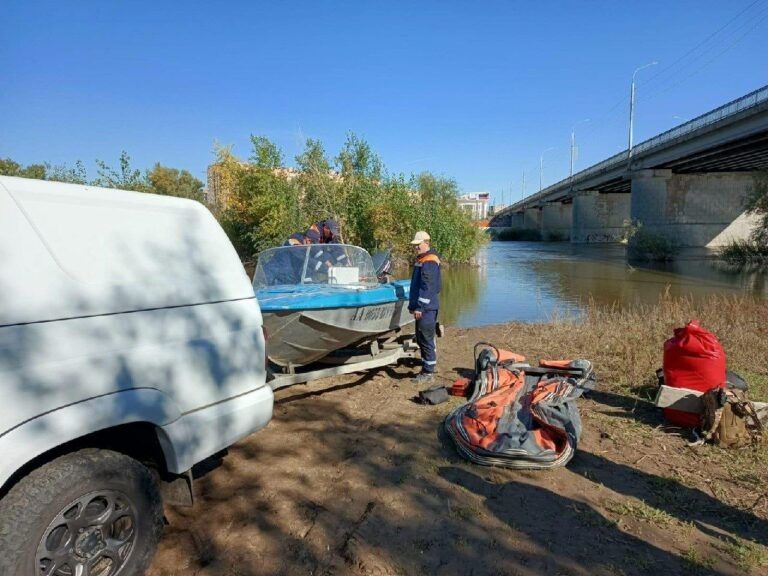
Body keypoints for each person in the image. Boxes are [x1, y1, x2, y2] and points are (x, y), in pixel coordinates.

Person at [408, 230, 441, 383]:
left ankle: (428, 373)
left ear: (426, 242)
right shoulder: (422, 259)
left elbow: (428, 287)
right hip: (423, 307)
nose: (416, 248)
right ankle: (426, 366)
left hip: (427, 308)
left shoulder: (429, 261)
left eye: (418, 245)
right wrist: (413, 305)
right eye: (415, 245)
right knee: (421, 338)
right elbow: (417, 285)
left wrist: (420, 307)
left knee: (426, 338)